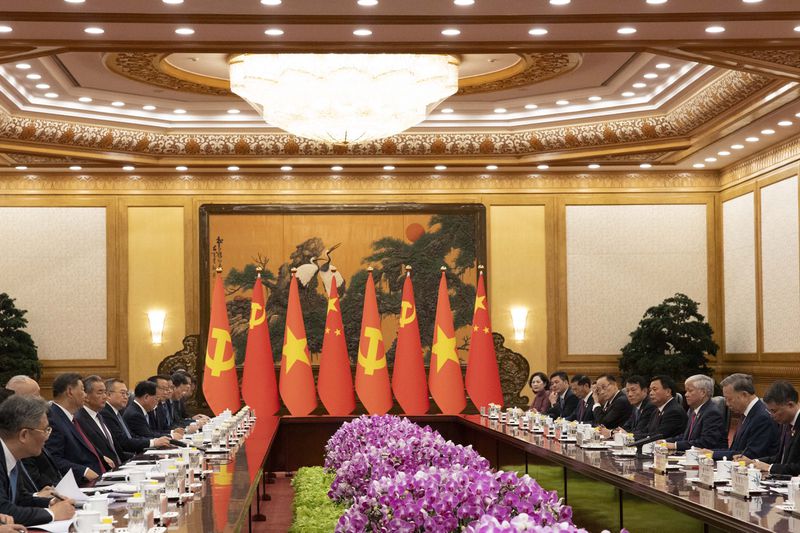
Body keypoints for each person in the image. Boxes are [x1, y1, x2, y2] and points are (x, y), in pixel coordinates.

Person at [0, 395, 75, 527]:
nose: (47, 437)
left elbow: (21, 499)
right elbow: (4, 509)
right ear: (24, 435)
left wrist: (50, 503)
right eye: (45, 430)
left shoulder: (13, 455)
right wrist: (52, 513)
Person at [45, 373, 110, 483]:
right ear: (70, 391)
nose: (85, 395)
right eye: (83, 390)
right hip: (81, 483)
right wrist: (83, 471)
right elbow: (52, 458)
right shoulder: (53, 419)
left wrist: (101, 457)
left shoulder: (69, 416)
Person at [706, 373, 778, 461]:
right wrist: (708, 452)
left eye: (729, 399)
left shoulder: (762, 417)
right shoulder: (746, 413)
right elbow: (734, 450)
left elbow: (750, 455)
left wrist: (712, 453)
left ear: (744, 395)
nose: (727, 404)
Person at [742, 381, 800, 476]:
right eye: (770, 411)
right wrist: (754, 462)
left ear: (790, 405)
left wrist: (770, 467)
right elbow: (781, 459)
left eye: (774, 411)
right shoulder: (786, 423)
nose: (772, 416)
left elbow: (797, 467)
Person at [100, 379, 170, 454]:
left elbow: (131, 436)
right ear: (109, 395)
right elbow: (123, 442)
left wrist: (154, 441)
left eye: (127, 394)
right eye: (122, 393)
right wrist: (153, 442)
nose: (126, 397)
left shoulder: (116, 411)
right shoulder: (106, 413)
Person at [664, 375, 727, 452]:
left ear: (703, 392)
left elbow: (706, 442)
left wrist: (675, 445)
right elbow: (686, 437)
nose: (686, 394)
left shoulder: (712, 412)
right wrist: (665, 442)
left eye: (690, 391)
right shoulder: (693, 411)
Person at [75, 376, 125, 466]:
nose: (105, 397)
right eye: (100, 392)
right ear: (86, 396)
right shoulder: (79, 420)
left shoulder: (101, 416)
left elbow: (115, 450)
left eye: (105, 392)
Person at [633, 375, 687, 441]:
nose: (651, 393)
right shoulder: (657, 410)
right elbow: (646, 430)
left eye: (654, 389)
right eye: (650, 390)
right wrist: (629, 435)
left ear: (668, 392)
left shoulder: (674, 411)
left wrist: (631, 437)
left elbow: (658, 436)